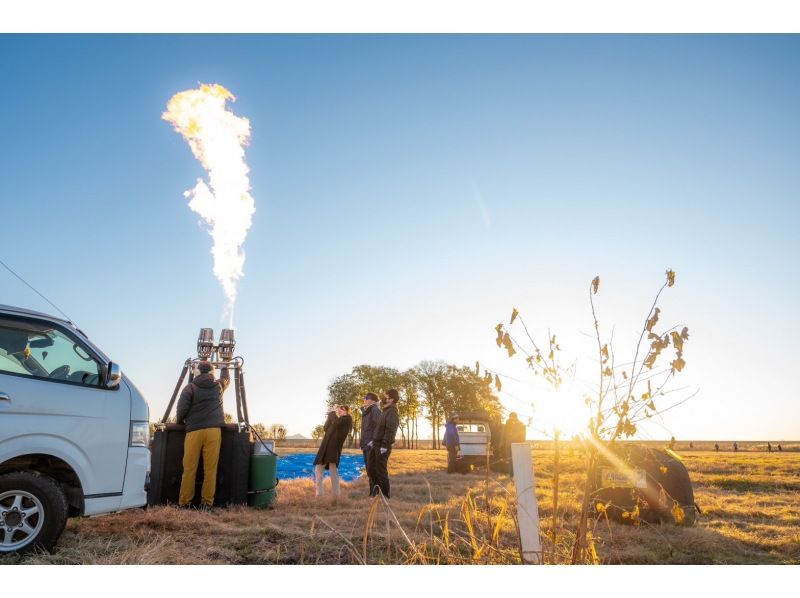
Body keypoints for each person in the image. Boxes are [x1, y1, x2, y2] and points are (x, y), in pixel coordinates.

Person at [176, 360, 230, 510]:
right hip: (213, 431)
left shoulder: (190, 387)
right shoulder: (218, 385)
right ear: (212, 372)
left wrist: (180, 422)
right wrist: (224, 366)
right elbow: (226, 379)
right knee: (210, 469)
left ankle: (185, 503)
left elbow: (181, 409)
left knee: (189, 469)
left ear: (197, 371)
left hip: (194, 431)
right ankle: (206, 503)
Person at [313, 405, 353, 497]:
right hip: (324, 448)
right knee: (318, 469)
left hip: (333, 449)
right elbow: (325, 428)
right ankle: (319, 494)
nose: (339, 411)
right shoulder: (336, 420)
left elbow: (336, 423)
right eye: (339, 409)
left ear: (347, 411)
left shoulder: (347, 419)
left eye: (341, 409)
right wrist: (329, 415)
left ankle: (336, 495)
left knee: (333, 472)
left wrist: (332, 413)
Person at [368, 388, 400, 498]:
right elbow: (379, 428)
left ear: (391, 399)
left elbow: (390, 430)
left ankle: (385, 495)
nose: (383, 397)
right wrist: (374, 439)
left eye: (385, 396)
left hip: (383, 445)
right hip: (376, 443)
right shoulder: (385, 410)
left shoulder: (392, 411)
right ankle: (377, 491)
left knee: (381, 471)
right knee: (371, 468)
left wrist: (385, 445)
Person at [360, 393, 381, 495]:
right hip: (365, 445)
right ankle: (372, 492)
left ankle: (376, 492)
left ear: (372, 401)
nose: (364, 399)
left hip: (371, 445)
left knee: (371, 469)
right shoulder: (366, 412)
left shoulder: (374, 410)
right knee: (369, 469)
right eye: (364, 397)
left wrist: (372, 442)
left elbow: (379, 427)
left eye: (366, 398)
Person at [502, 413, 526, 477]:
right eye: (509, 418)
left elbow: (523, 437)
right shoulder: (508, 424)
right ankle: (511, 475)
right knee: (510, 461)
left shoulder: (521, 425)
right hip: (509, 445)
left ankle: (517, 476)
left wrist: (521, 445)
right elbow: (505, 435)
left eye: (511, 417)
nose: (510, 419)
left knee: (517, 461)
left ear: (515, 417)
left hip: (517, 445)